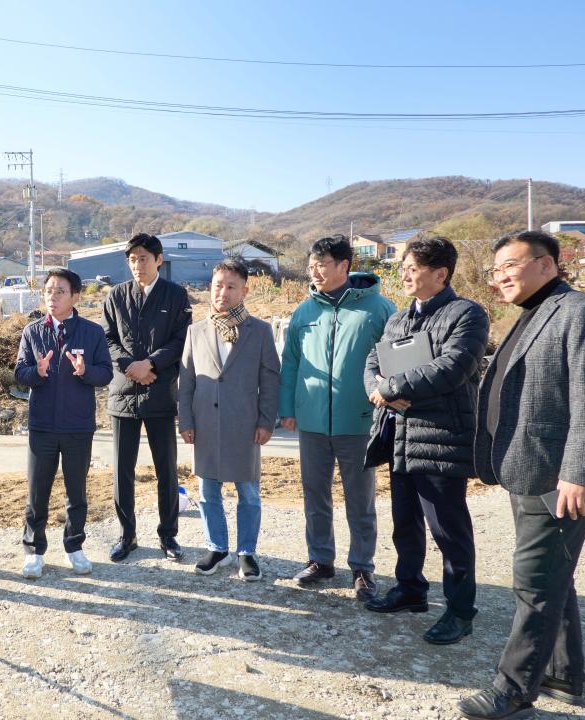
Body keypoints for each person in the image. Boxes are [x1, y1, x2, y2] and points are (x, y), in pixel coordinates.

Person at [458, 231, 585, 720]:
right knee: (554, 575)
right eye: (494, 270)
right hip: (528, 467)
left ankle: (512, 690)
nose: (500, 276)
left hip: (559, 476)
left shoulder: (583, 312)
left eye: (510, 265)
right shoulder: (533, 313)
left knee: (534, 582)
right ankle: (563, 674)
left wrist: (580, 473)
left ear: (547, 265)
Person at [362, 236, 488, 645]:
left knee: (448, 530)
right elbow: (373, 360)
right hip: (399, 434)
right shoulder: (398, 318)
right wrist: (375, 388)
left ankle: (460, 609)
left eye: (411, 268)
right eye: (402, 268)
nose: (403, 275)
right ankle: (411, 590)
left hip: (441, 438)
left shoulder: (465, 314)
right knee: (405, 522)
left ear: (440, 273)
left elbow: (453, 366)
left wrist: (394, 384)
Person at [278, 235, 395, 599]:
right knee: (315, 494)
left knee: (360, 499)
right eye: (311, 266)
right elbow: (291, 363)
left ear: (344, 265)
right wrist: (287, 408)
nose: (314, 272)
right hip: (311, 420)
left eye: (321, 265)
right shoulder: (304, 311)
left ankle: (362, 567)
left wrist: (388, 402)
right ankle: (320, 560)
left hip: (358, 420)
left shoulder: (378, 309)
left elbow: (392, 363)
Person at [178, 258, 280, 581]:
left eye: (230, 286)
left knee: (248, 492)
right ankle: (217, 547)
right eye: (217, 285)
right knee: (208, 491)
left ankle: (246, 552)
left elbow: (271, 380)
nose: (222, 292)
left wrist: (266, 421)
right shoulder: (196, 331)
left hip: (245, 425)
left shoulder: (260, 331)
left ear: (244, 290)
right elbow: (187, 380)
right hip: (205, 424)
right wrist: (185, 420)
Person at [14, 268, 113, 578]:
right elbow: (20, 373)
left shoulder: (92, 332)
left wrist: (85, 371)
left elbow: (106, 374)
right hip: (42, 425)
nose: (52, 296)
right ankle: (33, 550)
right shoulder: (32, 332)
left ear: (75, 297)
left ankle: (74, 546)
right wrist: (37, 373)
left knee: (76, 492)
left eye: (59, 291)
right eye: (48, 291)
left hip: (78, 426)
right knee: (37, 491)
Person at [102, 233, 192, 562]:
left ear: (158, 259)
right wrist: (131, 367)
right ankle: (127, 536)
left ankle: (168, 535)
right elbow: (108, 339)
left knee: (165, 468)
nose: (137, 265)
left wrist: (150, 364)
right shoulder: (116, 295)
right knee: (122, 470)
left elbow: (181, 339)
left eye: (143, 258)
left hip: (159, 392)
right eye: (132, 259)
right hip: (123, 395)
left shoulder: (176, 295)